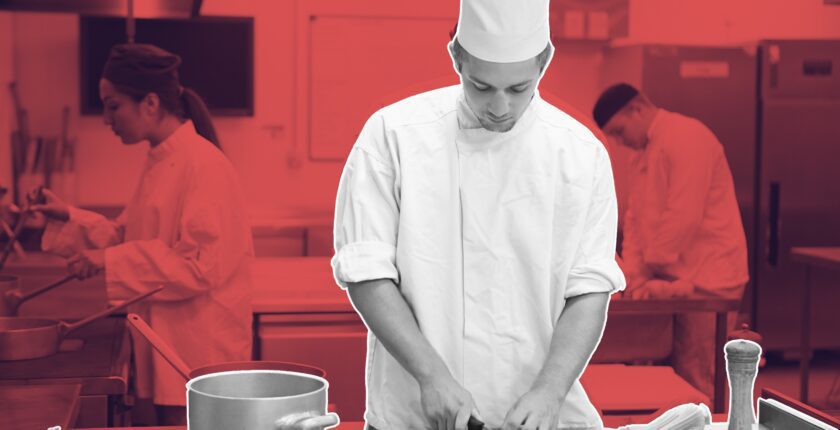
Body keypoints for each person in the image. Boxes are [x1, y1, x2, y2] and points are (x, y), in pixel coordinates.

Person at [331, 0, 626, 428]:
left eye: (519, 88)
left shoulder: (580, 155)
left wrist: (550, 391)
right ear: (456, 57)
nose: (500, 107)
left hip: (537, 415)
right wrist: (430, 376)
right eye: (481, 86)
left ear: (545, 59)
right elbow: (367, 272)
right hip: (414, 411)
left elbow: (589, 289)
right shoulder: (393, 135)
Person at [29, 43, 254, 425]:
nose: (106, 118)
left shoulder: (203, 166)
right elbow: (124, 237)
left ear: (150, 103)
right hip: (166, 345)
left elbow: (200, 266)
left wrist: (106, 260)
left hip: (198, 350)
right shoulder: (161, 160)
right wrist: (66, 215)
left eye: (113, 105)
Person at [592, 83, 749, 398]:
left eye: (620, 132)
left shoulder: (687, 137)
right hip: (674, 278)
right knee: (676, 372)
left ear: (637, 109)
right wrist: (632, 276)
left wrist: (647, 270)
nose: (622, 142)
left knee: (698, 373)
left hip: (709, 278)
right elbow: (635, 220)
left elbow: (684, 215)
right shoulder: (644, 152)